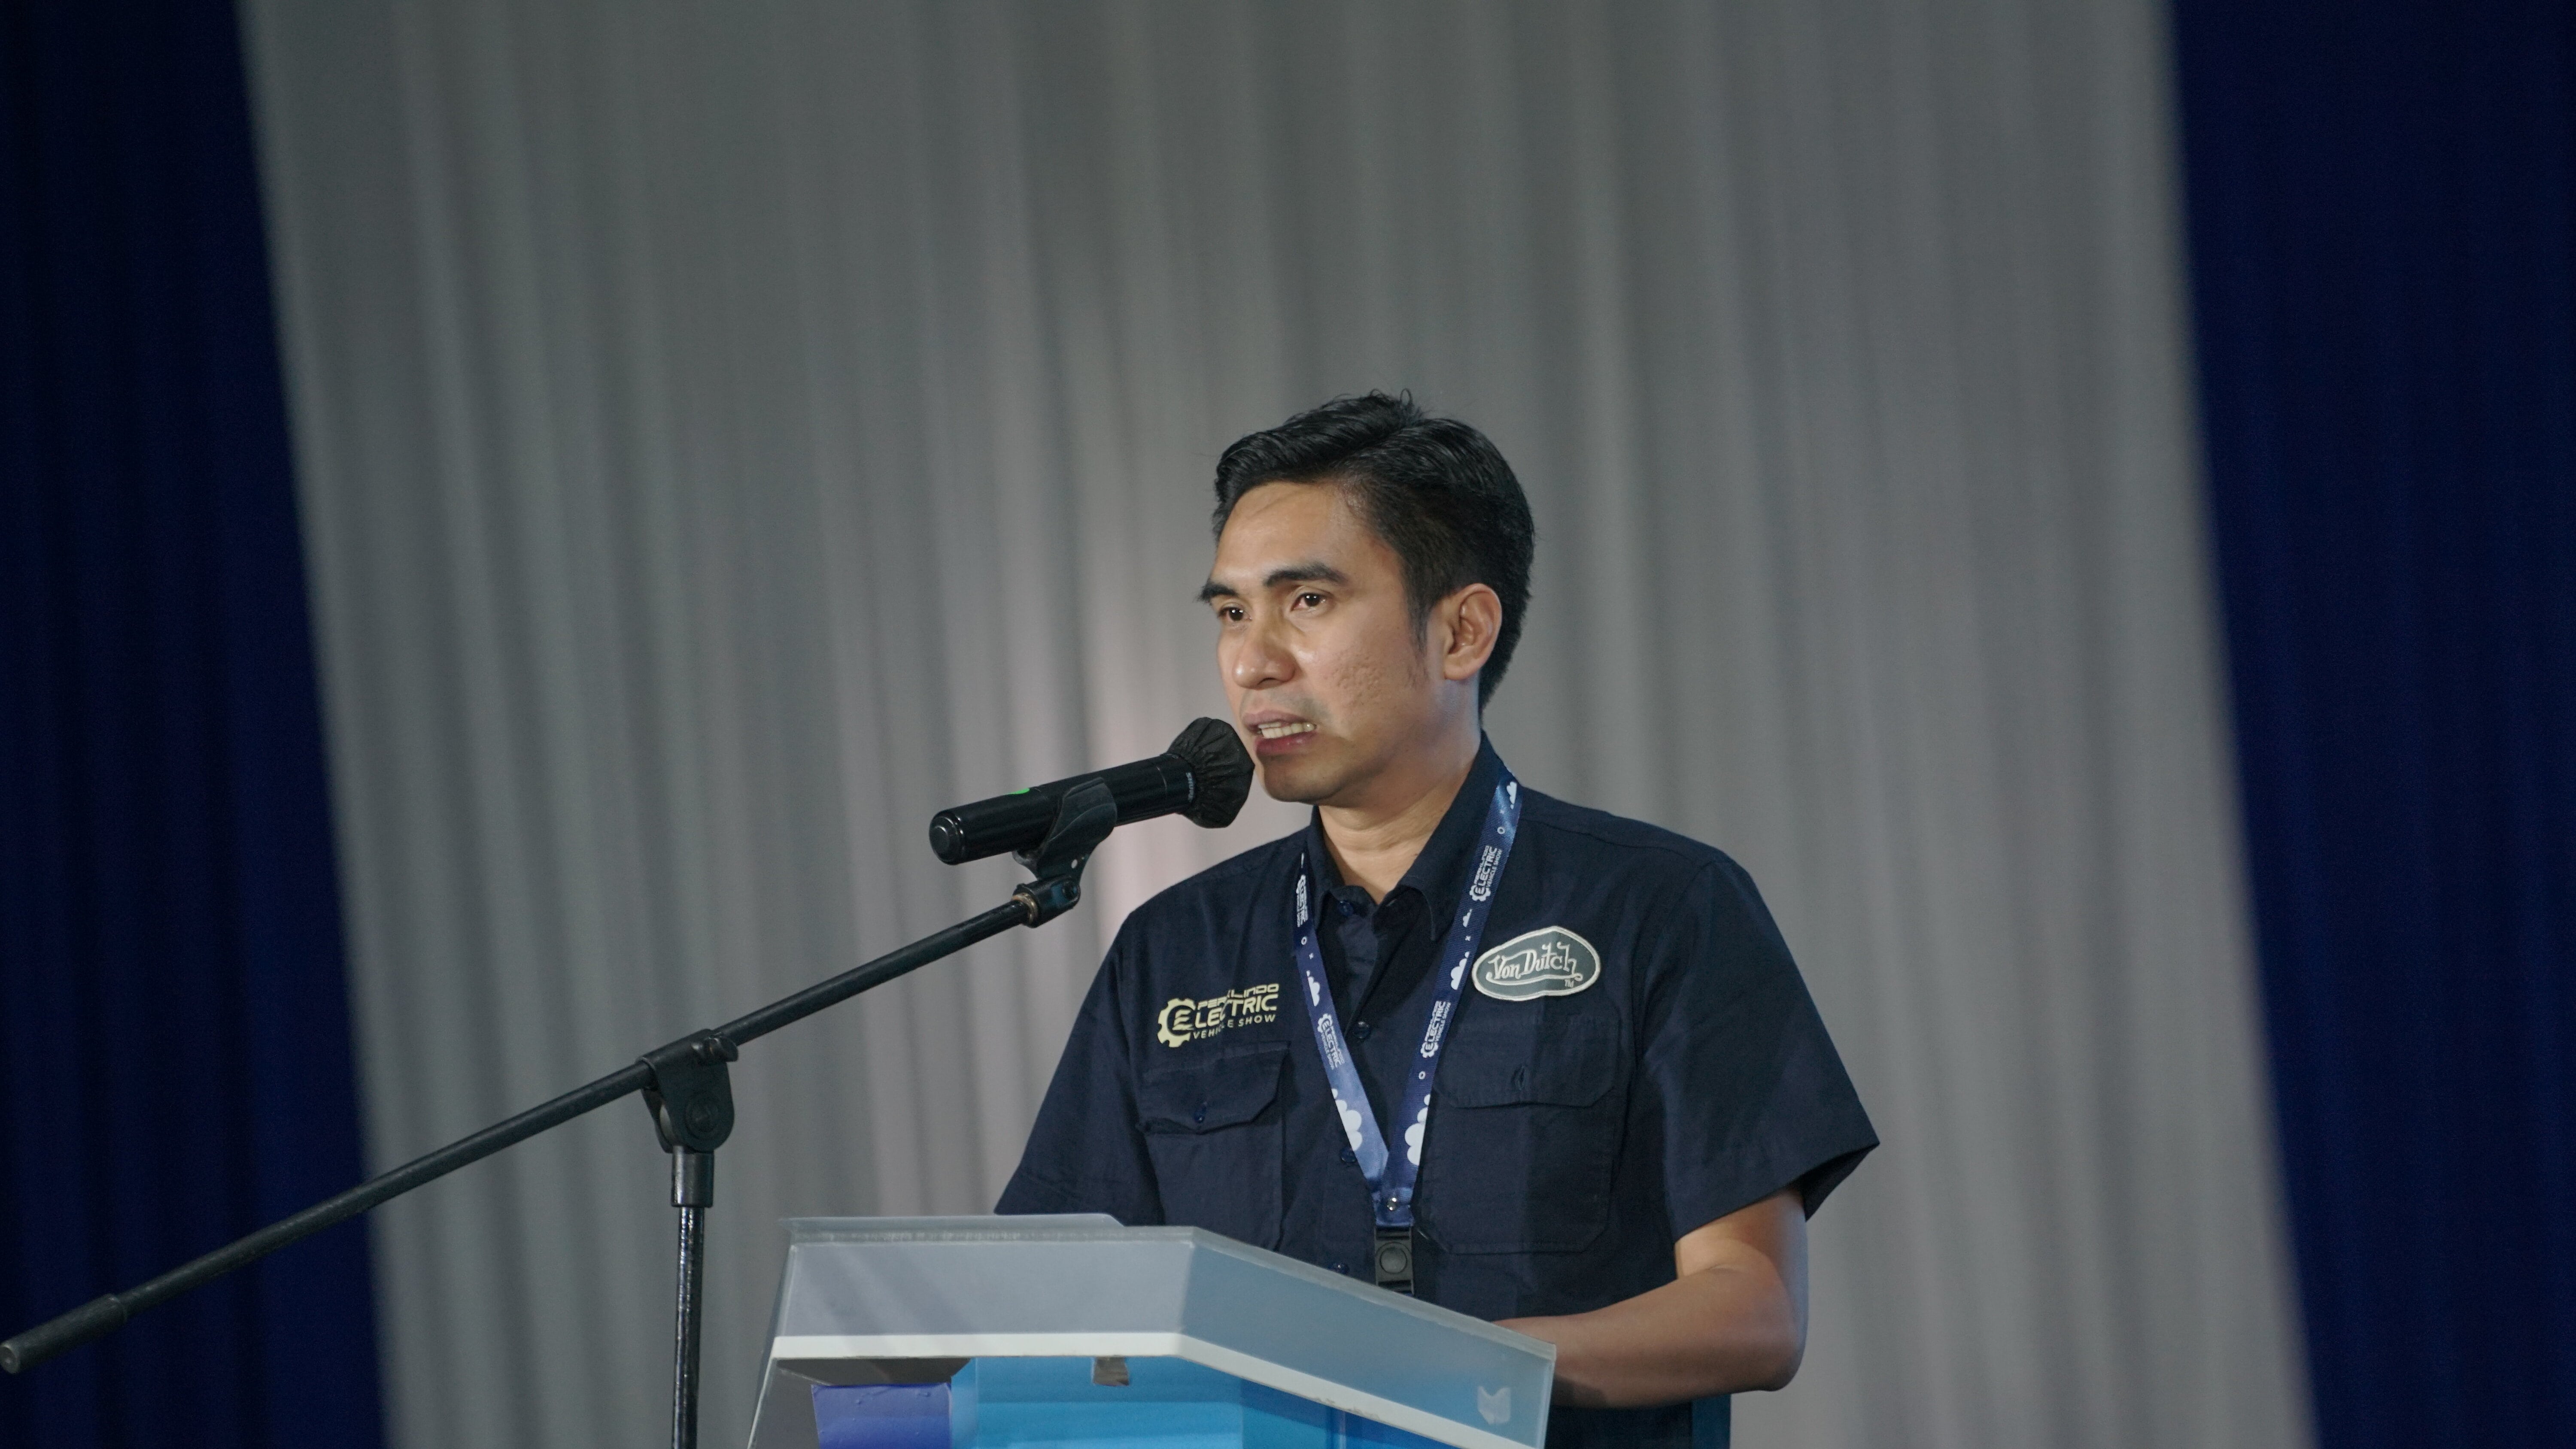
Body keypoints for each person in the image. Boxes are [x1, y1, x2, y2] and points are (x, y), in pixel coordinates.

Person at [997, 393, 1877, 1447]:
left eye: (1307, 601)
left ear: (1462, 631)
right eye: (1231, 613)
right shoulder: (1174, 949)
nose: (1253, 662)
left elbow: (1754, 1310)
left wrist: (1455, 1367)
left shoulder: (1664, 906)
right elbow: (1051, 1296)